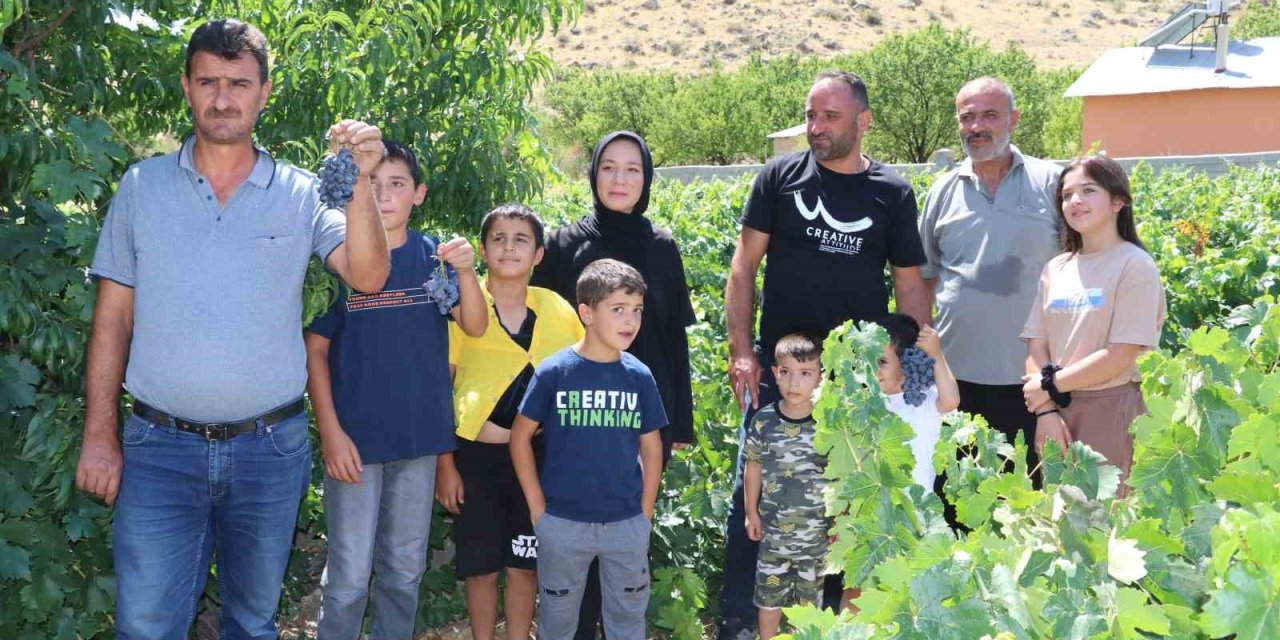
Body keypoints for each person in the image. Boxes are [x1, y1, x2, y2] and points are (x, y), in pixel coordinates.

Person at [75, 19, 391, 639]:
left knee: (252, 624)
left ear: (265, 92)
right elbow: (111, 319)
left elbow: (370, 276)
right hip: (157, 450)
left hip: (268, 451)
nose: (223, 98)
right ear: (187, 89)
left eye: (239, 83)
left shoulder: (303, 193)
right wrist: (98, 436)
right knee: (144, 626)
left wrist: (359, 182)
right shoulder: (141, 187)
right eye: (209, 82)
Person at [718, 70, 931, 638]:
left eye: (830, 116)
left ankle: (831, 622)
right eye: (811, 115)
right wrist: (743, 351)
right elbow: (743, 267)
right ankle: (741, 617)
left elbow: (909, 284)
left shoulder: (891, 193)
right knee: (756, 487)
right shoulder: (778, 177)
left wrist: (910, 362)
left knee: (843, 494)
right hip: (781, 369)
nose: (816, 127)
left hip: (853, 378)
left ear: (863, 122)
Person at [305, 141, 486, 639]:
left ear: (419, 194)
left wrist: (468, 271)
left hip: (418, 442)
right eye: (372, 183)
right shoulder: (340, 262)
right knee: (346, 578)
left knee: (404, 573)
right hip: (355, 446)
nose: (384, 196)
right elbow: (315, 351)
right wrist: (331, 433)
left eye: (397, 184)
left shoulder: (435, 259)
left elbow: (474, 325)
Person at [531, 130, 696, 638]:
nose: (620, 179)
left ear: (646, 178)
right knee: (573, 550)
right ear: (593, 174)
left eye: (632, 169)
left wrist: (680, 424)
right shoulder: (564, 244)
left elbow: (673, 342)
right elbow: (541, 336)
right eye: (609, 167)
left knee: (625, 549)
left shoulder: (662, 247)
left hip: (642, 419)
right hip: (576, 422)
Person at [437, 203, 583, 640]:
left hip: (536, 461)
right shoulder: (461, 306)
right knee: (480, 567)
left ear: (538, 254)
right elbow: (441, 389)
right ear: (482, 250)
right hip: (475, 457)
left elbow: (580, 374)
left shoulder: (557, 310)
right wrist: (446, 464)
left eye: (521, 239)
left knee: (525, 563)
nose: (508, 247)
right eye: (498, 238)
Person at [511, 259, 666, 640]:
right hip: (562, 524)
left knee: (627, 621)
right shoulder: (555, 372)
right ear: (587, 312)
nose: (630, 320)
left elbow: (651, 447)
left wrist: (644, 513)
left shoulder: (639, 376)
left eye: (636, 311)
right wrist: (537, 509)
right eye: (618, 310)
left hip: (626, 523)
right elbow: (519, 437)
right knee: (558, 623)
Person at [917, 76, 1062, 482]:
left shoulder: (1052, 184)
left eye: (989, 116)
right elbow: (923, 280)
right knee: (958, 503)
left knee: (1033, 501)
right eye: (967, 118)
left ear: (1013, 119)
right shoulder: (943, 192)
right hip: (956, 383)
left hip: (1037, 383)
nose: (976, 127)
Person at [1021, 155, 1165, 494]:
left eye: (1088, 190)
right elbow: (1035, 344)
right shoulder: (1055, 269)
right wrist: (1045, 411)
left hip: (1112, 408)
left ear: (1119, 201)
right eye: (1067, 195)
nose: (1075, 201)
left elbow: (1121, 355)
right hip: (1056, 413)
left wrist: (1048, 386)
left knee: (1106, 521)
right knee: (1062, 523)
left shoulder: (1135, 266)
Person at [742, 333, 829, 639]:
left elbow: (843, 476)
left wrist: (842, 521)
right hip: (773, 535)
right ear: (775, 374)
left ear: (820, 377)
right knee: (769, 598)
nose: (795, 383)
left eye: (805, 373)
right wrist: (750, 511)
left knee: (808, 608)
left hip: (816, 539)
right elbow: (753, 467)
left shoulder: (829, 424)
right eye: (786, 372)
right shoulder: (764, 421)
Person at [874, 314, 960, 489]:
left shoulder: (923, 401)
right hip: (874, 509)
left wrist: (935, 353)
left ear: (906, 362)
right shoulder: (865, 403)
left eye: (882, 362)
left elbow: (951, 401)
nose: (874, 369)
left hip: (916, 511)